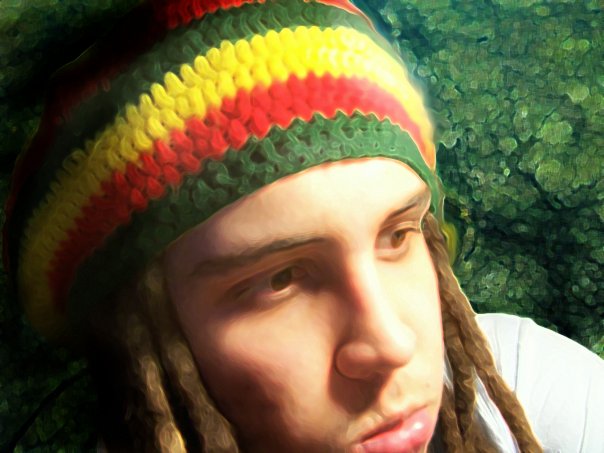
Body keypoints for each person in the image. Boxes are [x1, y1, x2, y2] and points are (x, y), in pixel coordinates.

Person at [3, 0, 603, 452]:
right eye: (280, 279)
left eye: (398, 236)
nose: (391, 344)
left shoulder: (525, 386)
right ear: (141, 340)